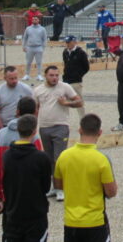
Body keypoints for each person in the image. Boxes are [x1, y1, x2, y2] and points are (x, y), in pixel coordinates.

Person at [54, 113, 118, 242]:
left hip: (71, 221)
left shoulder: (64, 156)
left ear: (80, 130)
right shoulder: (101, 159)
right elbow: (111, 192)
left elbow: (58, 185)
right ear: (99, 133)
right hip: (94, 221)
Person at [0, 113, 53, 242]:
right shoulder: (41, 158)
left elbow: (3, 180)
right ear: (34, 131)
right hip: (35, 214)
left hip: (13, 211)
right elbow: (46, 187)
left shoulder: (7, 155)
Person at [34, 65, 83, 200]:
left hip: (61, 126)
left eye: (57, 75)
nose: (55, 78)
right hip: (44, 127)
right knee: (49, 159)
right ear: (45, 75)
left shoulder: (65, 87)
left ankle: (61, 188)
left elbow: (79, 102)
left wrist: (66, 103)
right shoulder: (38, 90)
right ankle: (53, 187)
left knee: (59, 158)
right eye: (52, 75)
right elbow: (36, 108)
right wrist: (33, 126)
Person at [0, 96, 44, 205]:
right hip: (29, 192)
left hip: (6, 189)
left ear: (17, 111)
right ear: (35, 112)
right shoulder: (34, 138)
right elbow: (40, 168)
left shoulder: (1, 134)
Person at [0, 66, 35, 137]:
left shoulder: (26, 89)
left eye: (16, 78)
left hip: (21, 126)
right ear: (5, 78)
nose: (14, 81)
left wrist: (32, 125)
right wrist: (2, 130)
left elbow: (34, 107)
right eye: (11, 79)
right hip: (4, 125)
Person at [63, 36, 90, 117]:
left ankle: (83, 120)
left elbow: (86, 67)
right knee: (65, 101)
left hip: (76, 80)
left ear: (74, 42)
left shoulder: (81, 53)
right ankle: (64, 119)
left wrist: (78, 75)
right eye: (66, 42)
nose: (67, 44)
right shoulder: (65, 52)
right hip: (66, 80)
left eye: (69, 42)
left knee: (79, 101)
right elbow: (65, 64)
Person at [22, 17, 48, 82]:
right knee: (28, 62)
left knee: (39, 62)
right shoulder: (28, 28)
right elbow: (25, 38)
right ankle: (27, 75)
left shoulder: (42, 29)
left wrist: (43, 47)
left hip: (39, 47)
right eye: (33, 19)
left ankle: (39, 75)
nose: (34, 20)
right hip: (30, 47)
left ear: (38, 20)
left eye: (36, 19)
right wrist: (24, 46)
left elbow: (45, 38)